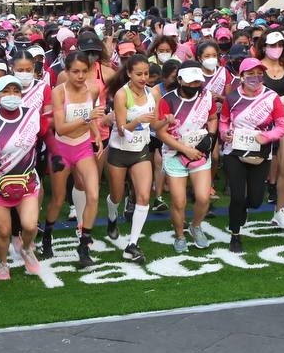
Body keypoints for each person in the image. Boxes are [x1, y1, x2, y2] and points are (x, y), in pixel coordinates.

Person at [0, 75, 46, 279]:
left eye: (16, 91)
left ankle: (27, 248)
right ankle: (3, 263)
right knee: (4, 231)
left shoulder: (32, 115)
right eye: (6, 91)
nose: (11, 95)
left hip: (26, 182)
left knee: (30, 226)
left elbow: (47, 135)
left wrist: (55, 156)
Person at [220, 57, 284, 253]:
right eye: (250, 74)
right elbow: (224, 122)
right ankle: (235, 235)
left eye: (259, 74)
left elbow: (282, 126)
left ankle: (245, 209)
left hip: (261, 153)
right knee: (237, 196)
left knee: (257, 200)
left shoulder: (271, 97)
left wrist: (266, 137)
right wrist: (225, 133)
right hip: (234, 152)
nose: (255, 78)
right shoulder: (232, 98)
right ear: (241, 76)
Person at [46, 52, 106, 268]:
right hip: (61, 147)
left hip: (82, 146)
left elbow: (92, 115)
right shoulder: (58, 92)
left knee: (94, 194)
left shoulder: (94, 88)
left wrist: (96, 134)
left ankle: (83, 244)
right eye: (75, 71)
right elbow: (60, 128)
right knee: (58, 198)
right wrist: (88, 118)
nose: (80, 76)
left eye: (84, 71)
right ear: (66, 72)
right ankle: (47, 236)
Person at [154, 62, 218, 252]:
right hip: (174, 154)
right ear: (180, 80)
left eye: (197, 81)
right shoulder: (168, 100)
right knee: (178, 200)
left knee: (203, 197)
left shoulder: (207, 97)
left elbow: (213, 117)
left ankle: (196, 226)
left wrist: (211, 136)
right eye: (189, 82)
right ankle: (180, 235)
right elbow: (161, 133)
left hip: (199, 153)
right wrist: (184, 149)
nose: (193, 85)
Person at [104, 54, 156, 263]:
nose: (144, 78)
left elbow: (157, 123)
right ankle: (112, 217)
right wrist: (139, 120)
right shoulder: (121, 94)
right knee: (116, 196)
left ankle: (132, 245)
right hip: (119, 150)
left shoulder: (152, 93)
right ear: (128, 74)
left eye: (146, 73)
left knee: (143, 196)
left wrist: (167, 121)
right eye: (139, 74)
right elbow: (121, 127)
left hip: (141, 151)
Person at [258, 31, 284, 228]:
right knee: (256, 165)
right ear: (264, 46)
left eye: (279, 45)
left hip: (283, 119)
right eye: (272, 45)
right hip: (259, 120)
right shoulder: (256, 66)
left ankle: (280, 210)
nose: (276, 49)